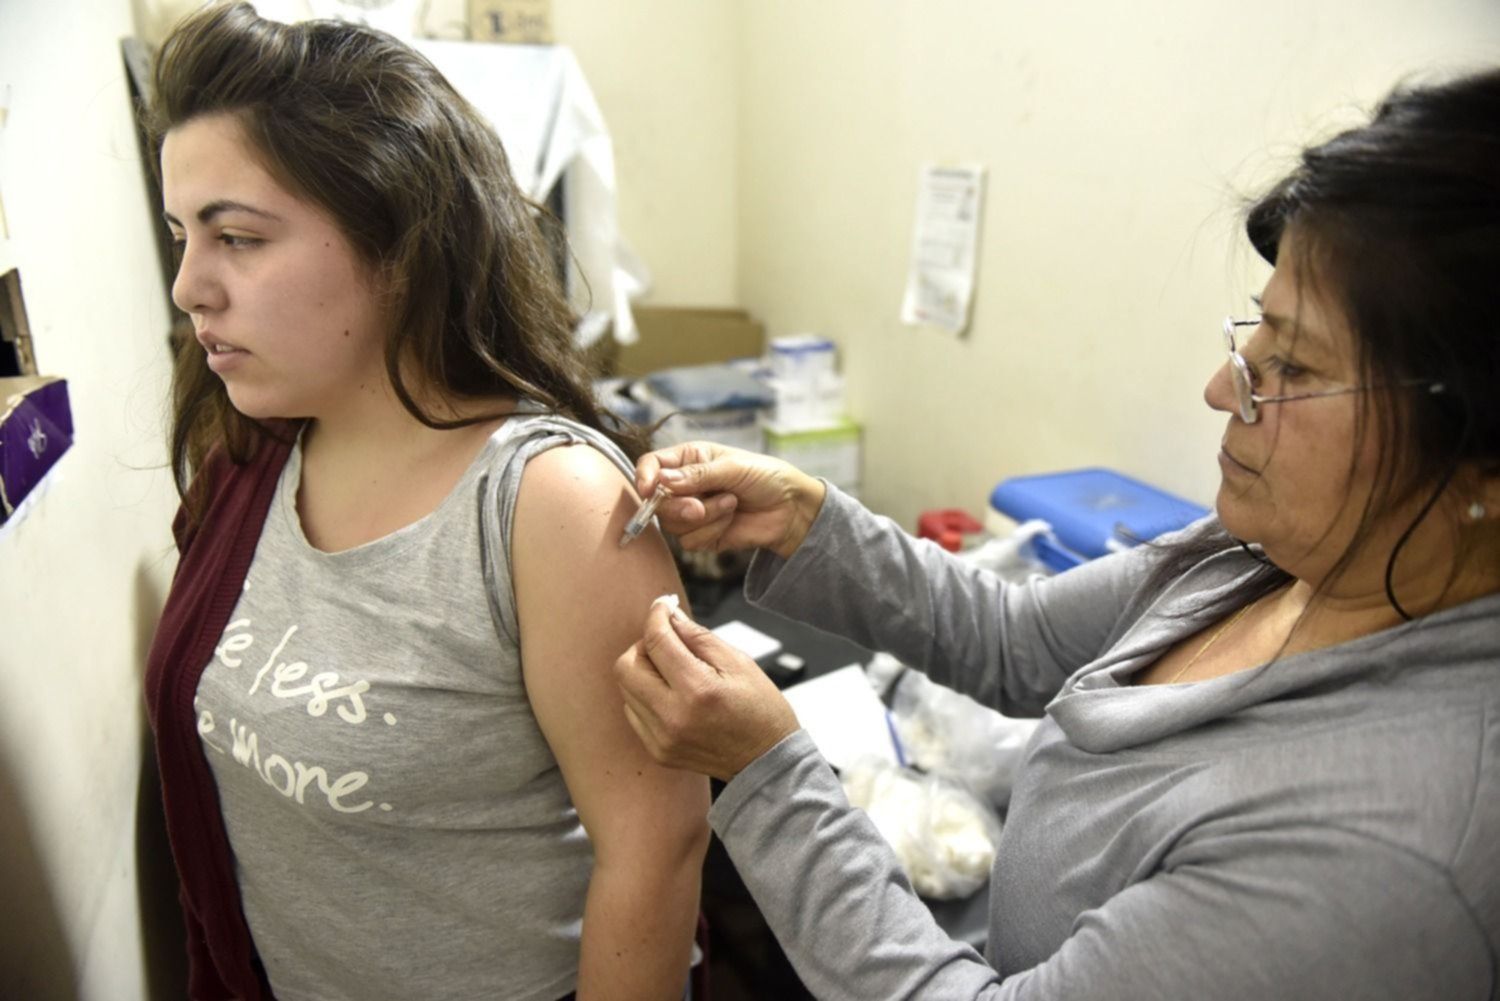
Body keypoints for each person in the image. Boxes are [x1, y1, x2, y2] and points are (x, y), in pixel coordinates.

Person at [613, 68, 1500, 1000]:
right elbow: (1015, 637)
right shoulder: (1282, 556)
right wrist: (805, 519)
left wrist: (768, 771)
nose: (1222, 387)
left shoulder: (1384, 858)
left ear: (1483, 458)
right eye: (1255, 336)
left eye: (1297, 365)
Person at [142, 5, 709, 1000]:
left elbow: (655, 852)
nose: (191, 287)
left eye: (237, 236)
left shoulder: (547, 505)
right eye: (182, 236)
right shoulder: (253, 449)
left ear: (398, 238)